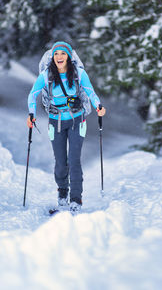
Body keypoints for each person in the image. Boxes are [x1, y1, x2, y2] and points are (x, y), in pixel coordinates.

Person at [27, 41, 105, 214]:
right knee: (61, 162)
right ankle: (63, 194)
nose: (59, 57)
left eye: (63, 53)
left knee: (75, 160)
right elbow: (32, 95)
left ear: (69, 56)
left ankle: (76, 199)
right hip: (56, 122)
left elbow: (90, 91)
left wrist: (98, 106)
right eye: (56, 54)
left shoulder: (79, 74)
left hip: (77, 121)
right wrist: (31, 114)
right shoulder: (46, 75)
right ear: (52, 57)